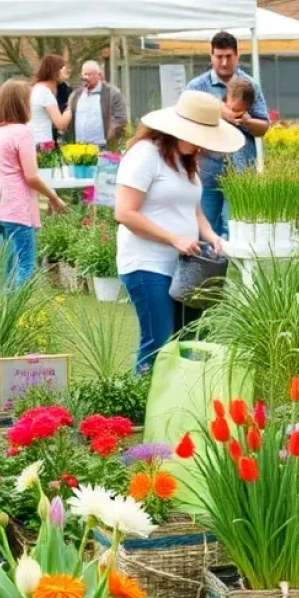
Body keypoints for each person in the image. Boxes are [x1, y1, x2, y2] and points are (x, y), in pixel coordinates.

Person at [115, 91, 242, 371]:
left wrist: (213, 238)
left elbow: (194, 212)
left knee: (184, 343)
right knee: (159, 342)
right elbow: (125, 212)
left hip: (183, 267)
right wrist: (173, 239)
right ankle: (142, 405)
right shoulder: (145, 155)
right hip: (146, 263)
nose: (202, 147)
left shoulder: (186, 163)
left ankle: (174, 406)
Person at [0, 79, 66, 284]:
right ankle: (17, 311)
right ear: (21, 103)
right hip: (16, 209)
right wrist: (54, 198)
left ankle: (0, 309)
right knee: (24, 265)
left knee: (1, 266)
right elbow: (31, 176)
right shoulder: (22, 132)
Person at [185, 31, 269, 237]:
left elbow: (264, 125)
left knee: (236, 228)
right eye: (219, 56)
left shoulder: (251, 86)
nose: (223, 62)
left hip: (241, 168)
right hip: (207, 168)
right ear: (211, 56)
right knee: (204, 227)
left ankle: (237, 269)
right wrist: (217, 112)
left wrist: (247, 121)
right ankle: (208, 268)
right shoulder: (197, 87)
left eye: (228, 56)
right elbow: (185, 125)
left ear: (237, 56)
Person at [67, 60, 129, 150]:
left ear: (99, 75)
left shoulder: (112, 93)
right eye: (84, 74)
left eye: (89, 75)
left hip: (103, 147)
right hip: (79, 146)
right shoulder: (76, 95)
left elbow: (121, 118)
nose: (86, 78)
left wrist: (111, 135)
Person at [30, 54, 72, 145]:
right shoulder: (45, 93)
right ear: (56, 71)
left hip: (33, 141)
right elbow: (61, 124)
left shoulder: (35, 89)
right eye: (63, 69)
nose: (67, 72)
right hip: (42, 145)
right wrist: (70, 108)